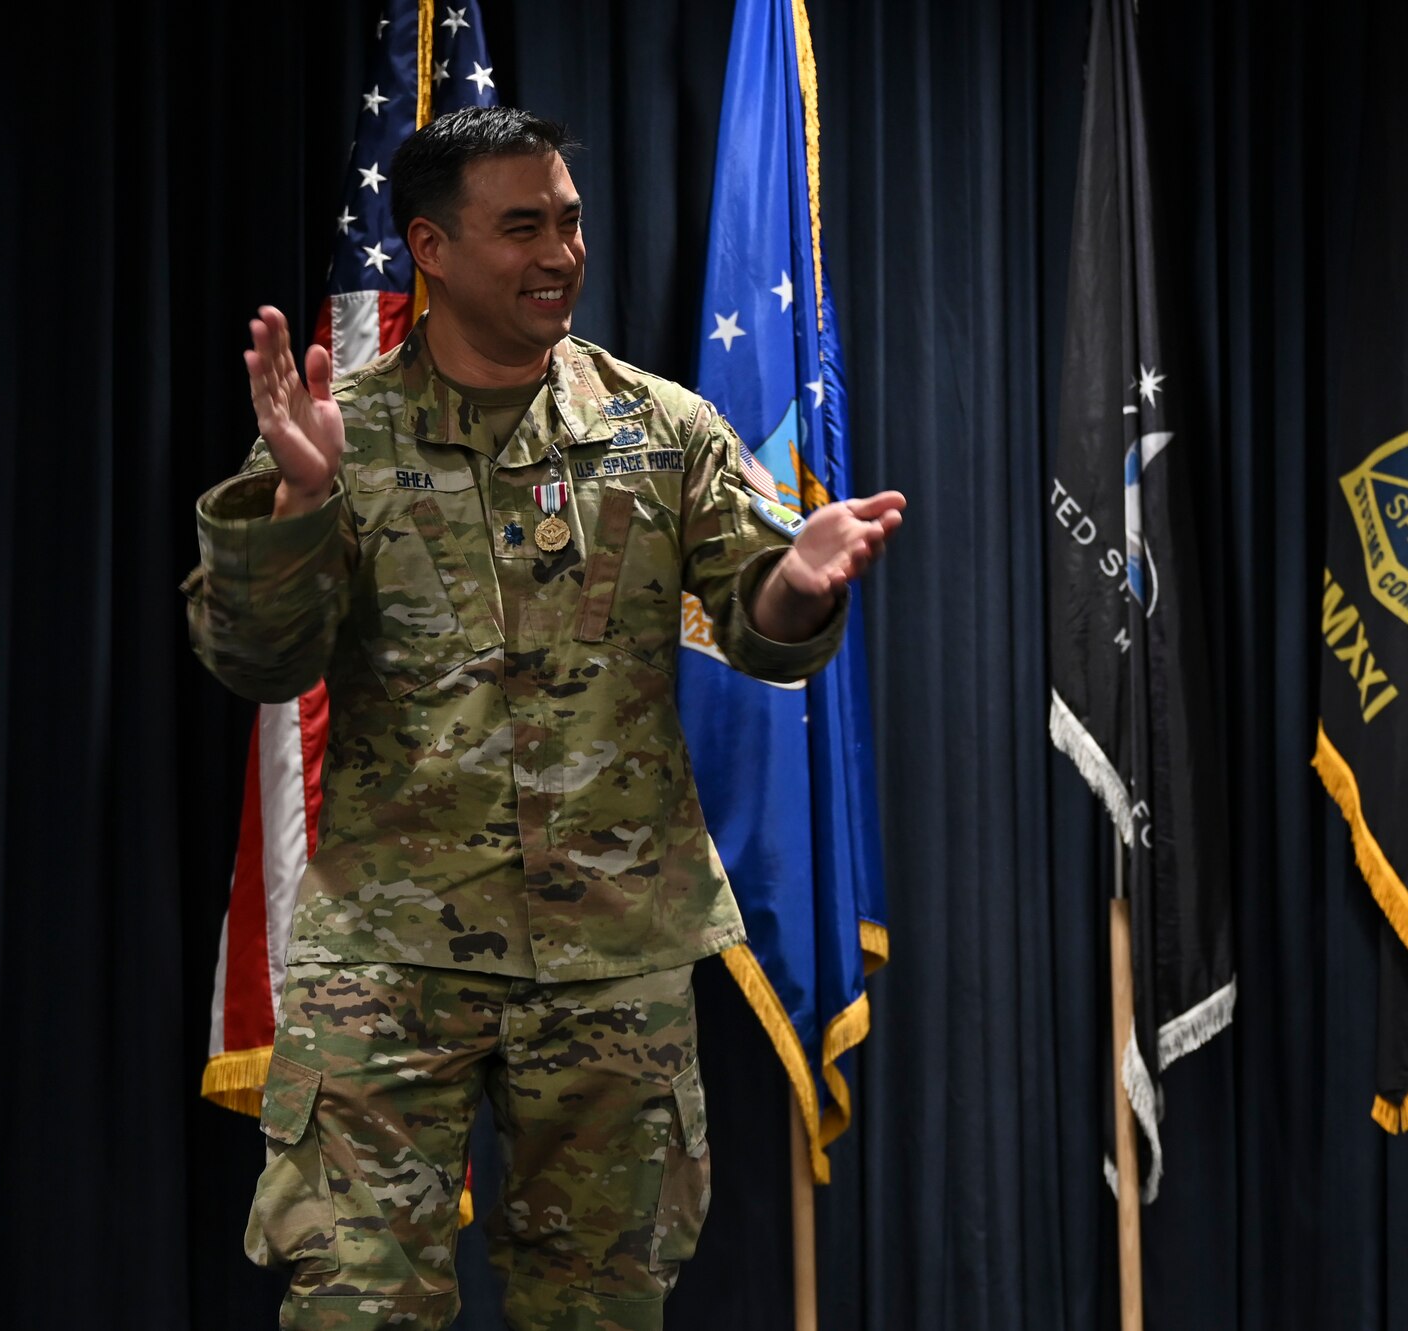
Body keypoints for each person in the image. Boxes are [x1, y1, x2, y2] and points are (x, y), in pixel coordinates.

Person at [184, 106, 905, 1331]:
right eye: (520, 227)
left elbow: (757, 615)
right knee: (355, 1306)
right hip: (388, 961)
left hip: (613, 957)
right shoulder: (341, 437)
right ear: (430, 247)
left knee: (602, 1308)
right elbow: (256, 659)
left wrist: (793, 582)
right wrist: (298, 506)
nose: (559, 252)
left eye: (568, 221)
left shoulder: (661, 427)